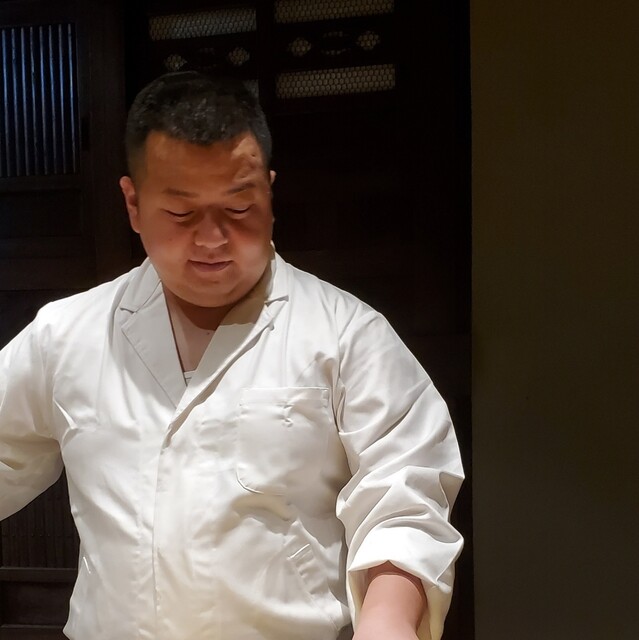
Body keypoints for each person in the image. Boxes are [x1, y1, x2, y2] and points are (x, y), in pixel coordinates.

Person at [0, 71, 464, 640]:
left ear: (269, 192)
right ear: (134, 204)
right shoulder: (66, 334)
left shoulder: (346, 333)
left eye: (240, 208)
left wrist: (387, 621)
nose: (213, 239)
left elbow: (405, 498)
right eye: (182, 214)